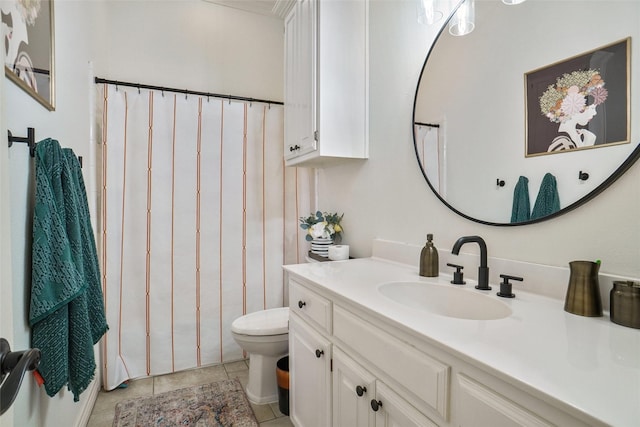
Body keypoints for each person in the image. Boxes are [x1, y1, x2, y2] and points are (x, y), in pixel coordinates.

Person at [539, 69, 608, 152]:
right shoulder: (561, 143)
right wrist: (588, 142)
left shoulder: (577, 135)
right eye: (592, 108)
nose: (595, 112)